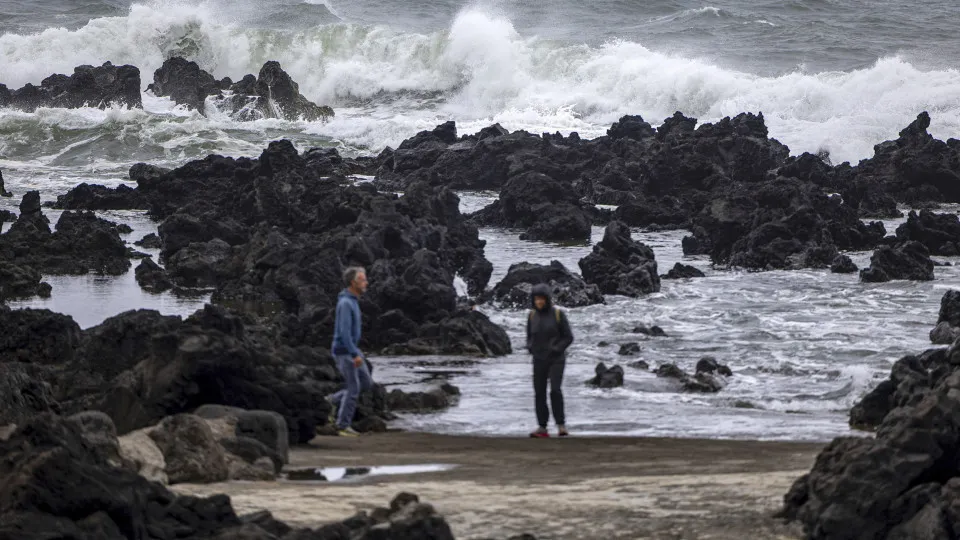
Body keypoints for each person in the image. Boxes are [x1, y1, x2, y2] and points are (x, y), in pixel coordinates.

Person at [328, 266, 372, 437]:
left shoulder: (352, 300)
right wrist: (354, 354)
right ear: (353, 283)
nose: (366, 282)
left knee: (366, 383)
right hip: (344, 351)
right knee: (353, 388)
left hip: (352, 349)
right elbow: (344, 333)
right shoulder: (346, 303)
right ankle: (342, 425)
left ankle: (331, 401)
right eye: (362, 279)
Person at [526, 283, 574, 438]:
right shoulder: (532, 315)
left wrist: (556, 349)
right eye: (536, 299)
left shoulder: (558, 314)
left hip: (556, 359)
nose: (539, 302)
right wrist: (530, 347)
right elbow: (529, 336)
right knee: (539, 393)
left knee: (555, 390)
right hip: (538, 359)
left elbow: (568, 337)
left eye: (541, 299)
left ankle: (561, 425)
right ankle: (542, 427)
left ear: (547, 299)